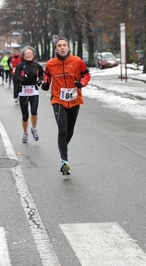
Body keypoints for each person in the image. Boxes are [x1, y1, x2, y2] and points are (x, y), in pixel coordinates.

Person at [42, 37, 91, 175]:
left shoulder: (77, 61)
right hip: (58, 99)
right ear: (56, 49)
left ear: (68, 47)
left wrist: (81, 83)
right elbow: (47, 78)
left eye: (64, 45)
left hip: (74, 99)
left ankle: (63, 147)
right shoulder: (51, 64)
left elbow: (86, 75)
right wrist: (45, 84)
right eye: (59, 46)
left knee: (70, 131)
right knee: (62, 130)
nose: (62, 47)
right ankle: (64, 161)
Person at [13, 46, 44, 143]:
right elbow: (15, 78)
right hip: (23, 92)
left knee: (34, 111)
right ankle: (25, 133)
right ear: (23, 55)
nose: (28, 54)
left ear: (33, 54)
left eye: (30, 53)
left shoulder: (37, 65)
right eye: (26, 53)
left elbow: (42, 75)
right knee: (25, 115)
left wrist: (40, 80)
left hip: (34, 91)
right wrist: (22, 79)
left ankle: (34, 129)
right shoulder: (20, 66)